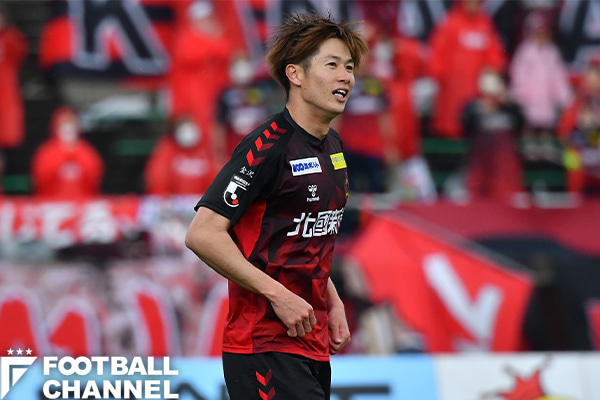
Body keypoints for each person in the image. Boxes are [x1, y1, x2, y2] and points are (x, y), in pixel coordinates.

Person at [185, 12, 368, 400]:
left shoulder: (334, 148)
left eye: (350, 67)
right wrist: (278, 295)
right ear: (295, 74)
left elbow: (304, 237)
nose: (346, 77)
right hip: (263, 345)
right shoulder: (266, 147)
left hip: (312, 343)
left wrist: (332, 300)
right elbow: (203, 234)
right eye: (332, 65)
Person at [428, 0, 507, 139]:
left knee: (474, 130)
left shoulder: (485, 24)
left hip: (477, 93)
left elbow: (495, 55)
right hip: (453, 91)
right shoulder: (450, 23)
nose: (472, 4)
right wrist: (441, 76)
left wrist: (492, 72)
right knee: (451, 127)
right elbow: (436, 55)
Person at [509, 11, 572, 162]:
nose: (541, 36)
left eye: (544, 33)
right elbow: (519, 75)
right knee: (530, 126)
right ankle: (529, 149)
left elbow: (558, 76)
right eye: (538, 33)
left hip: (546, 99)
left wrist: (564, 97)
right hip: (530, 100)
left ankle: (545, 149)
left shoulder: (552, 52)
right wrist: (520, 95)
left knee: (546, 126)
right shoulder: (525, 52)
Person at [461, 70, 525, 202]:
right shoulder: (474, 107)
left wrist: (508, 104)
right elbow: (465, 125)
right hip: (481, 169)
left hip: (505, 171)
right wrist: (478, 109)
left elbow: (521, 123)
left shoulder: (509, 108)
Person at [31, 107, 104, 198]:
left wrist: (74, 155)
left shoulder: (87, 151)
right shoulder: (46, 152)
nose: (68, 129)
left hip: (82, 201)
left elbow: (95, 177)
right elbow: (41, 179)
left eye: (71, 124)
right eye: (63, 125)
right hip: (53, 202)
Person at [144, 115, 217, 195]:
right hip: (172, 200)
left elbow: (215, 179)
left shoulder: (205, 151)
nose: (187, 132)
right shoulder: (167, 149)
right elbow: (158, 178)